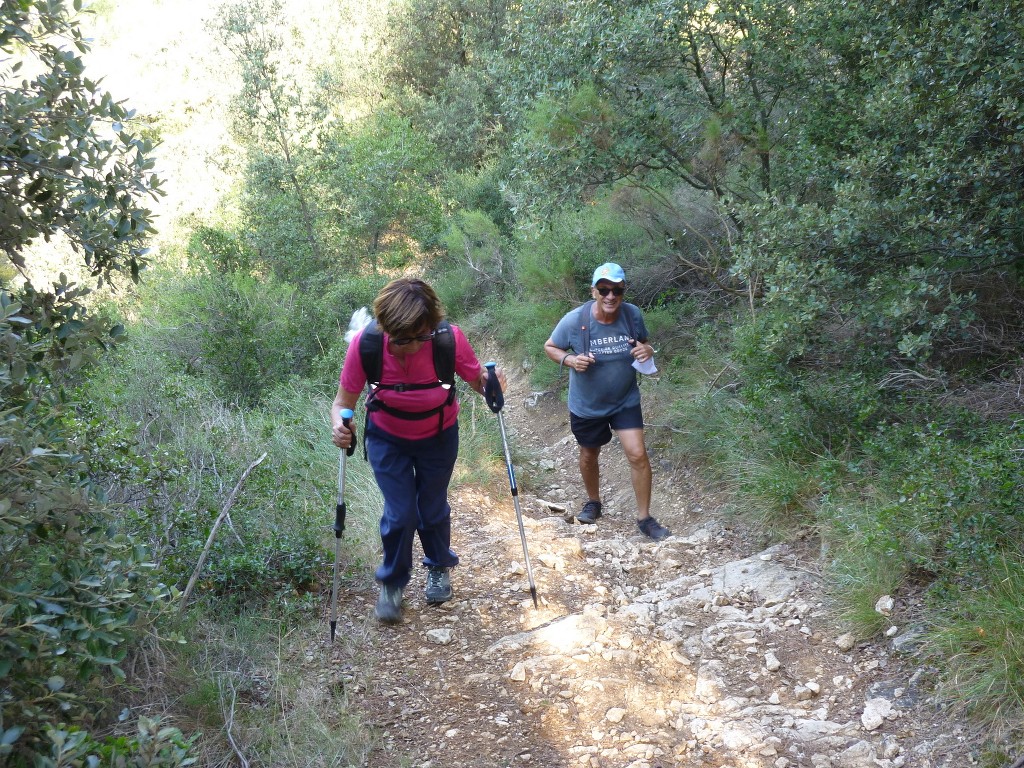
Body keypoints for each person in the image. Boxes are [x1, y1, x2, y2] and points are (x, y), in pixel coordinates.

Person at [331, 277, 506, 624]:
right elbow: (341, 403)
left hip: (439, 435)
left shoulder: (446, 339)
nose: (408, 348)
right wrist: (340, 425)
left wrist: (491, 384)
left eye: (417, 337)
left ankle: (439, 567)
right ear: (385, 327)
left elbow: (477, 384)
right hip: (387, 438)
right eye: (399, 339)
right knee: (401, 513)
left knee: (432, 506)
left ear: (429, 326)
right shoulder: (366, 345)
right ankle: (393, 583)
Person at [543, 262, 670, 541]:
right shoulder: (575, 320)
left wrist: (648, 350)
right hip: (587, 404)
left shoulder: (632, 315)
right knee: (590, 454)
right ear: (594, 291)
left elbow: (644, 343)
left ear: (623, 291)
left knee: (637, 454)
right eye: (604, 289)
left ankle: (644, 518)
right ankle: (593, 501)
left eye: (617, 290)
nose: (610, 296)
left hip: (625, 400)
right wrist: (570, 359)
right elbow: (550, 346)